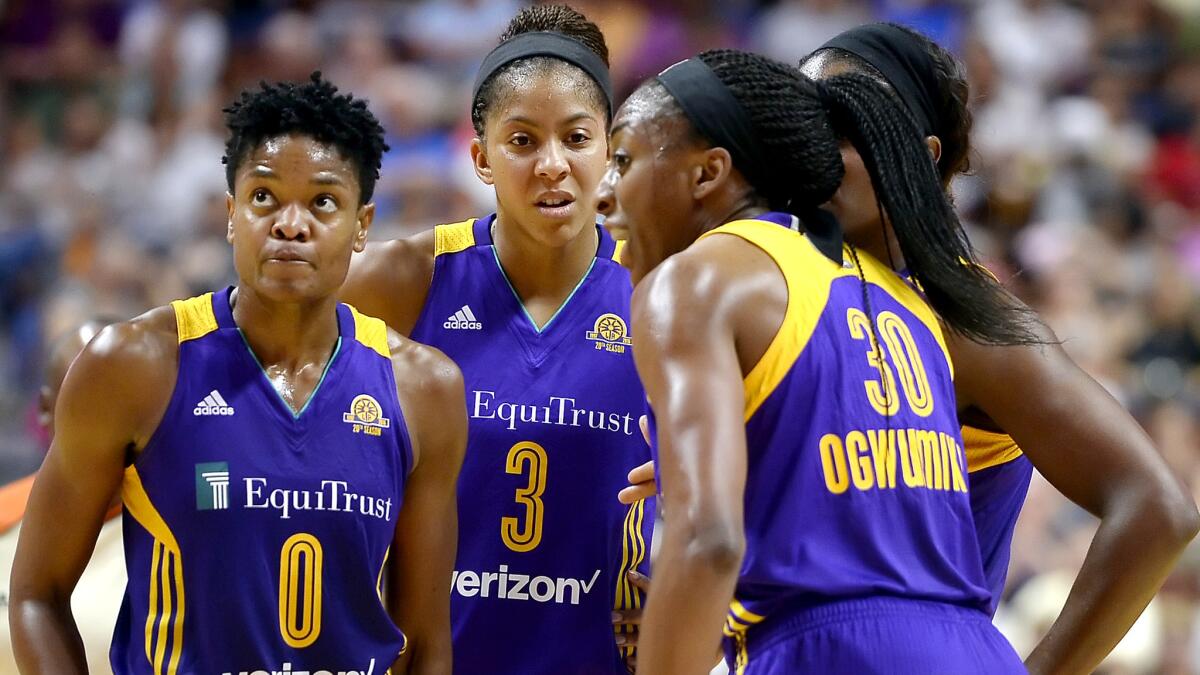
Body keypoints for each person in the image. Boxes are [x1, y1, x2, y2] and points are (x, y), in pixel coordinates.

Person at [10, 73, 467, 675]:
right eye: (264, 197)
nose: (290, 223)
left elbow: (427, 641)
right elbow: (36, 596)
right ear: (231, 214)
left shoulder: (424, 389)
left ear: (363, 224)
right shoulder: (133, 365)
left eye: (323, 202)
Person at [595, 48, 1023, 673]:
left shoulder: (694, 282)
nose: (602, 194)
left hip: (832, 653)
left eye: (623, 160)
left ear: (708, 173)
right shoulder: (903, 297)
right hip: (978, 649)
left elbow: (708, 542)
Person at [797, 23, 1199, 674]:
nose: (812, 146)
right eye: (804, 121)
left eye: (847, 126)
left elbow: (1158, 509)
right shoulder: (786, 287)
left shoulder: (964, 312)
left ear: (923, 155)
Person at [339, 5, 652, 674]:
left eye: (575, 138)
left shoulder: (664, 293)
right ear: (479, 156)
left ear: (611, 151)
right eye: (522, 141)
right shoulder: (400, 280)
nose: (552, 165)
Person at [0, 319, 123, 674]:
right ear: (43, 408)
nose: (101, 424)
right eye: (82, 399)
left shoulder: (182, 532)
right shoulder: (6, 516)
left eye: (120, 403)